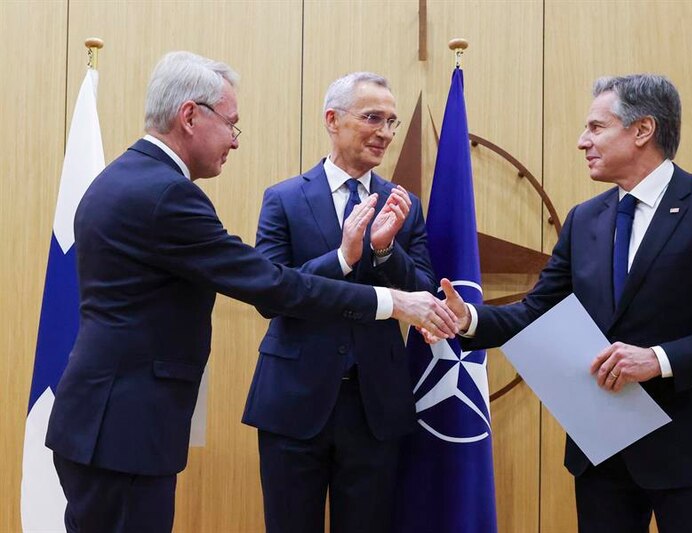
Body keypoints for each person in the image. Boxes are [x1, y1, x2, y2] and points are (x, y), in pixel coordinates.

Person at [45, 53, 456, 533]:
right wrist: (390, 301)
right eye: (231, 125)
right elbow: (269, 283)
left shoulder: (121, 179)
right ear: (191, 115)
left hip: (107, 422)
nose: (234, 142)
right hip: (124, 428)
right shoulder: (167, 194)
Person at [433, 74, 692, 533]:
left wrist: (658, 360)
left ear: (642, 130)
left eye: (596, 128)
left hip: (691, 451)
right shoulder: (585, 220)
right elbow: (537, 312)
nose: (583, 142)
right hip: (602, 454)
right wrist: (469, 319)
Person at [241, 72, 431, 533]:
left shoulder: (403, 204)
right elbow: (270, 293)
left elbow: (421, 293)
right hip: (294, 399)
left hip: (374, 404)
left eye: (391, 121)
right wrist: (342, 258)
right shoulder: (283, 199)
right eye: (372, 118)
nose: (385, 132)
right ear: (333, 119)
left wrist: (386, 251)